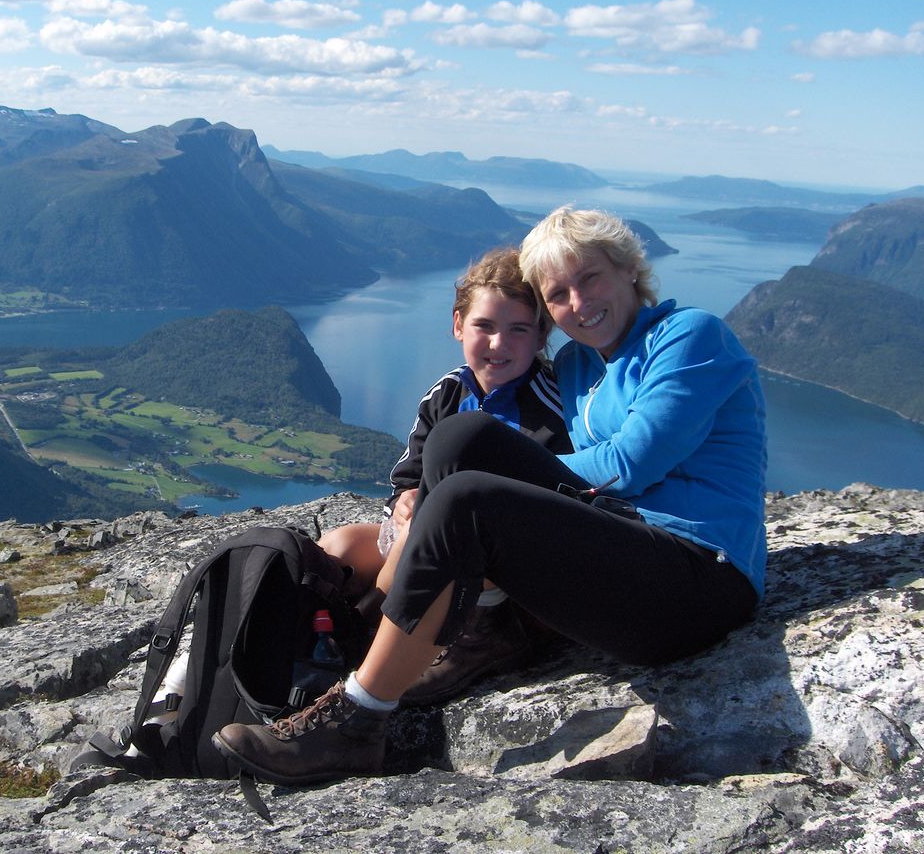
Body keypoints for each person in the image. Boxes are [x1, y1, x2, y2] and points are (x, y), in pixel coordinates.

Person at [212, 206, 767, 786]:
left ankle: (355, 722)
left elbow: (631, 463)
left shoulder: (691, 336)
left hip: (697, 580)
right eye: (558, 294)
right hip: (620, 559)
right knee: (458, 437)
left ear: (629, 269)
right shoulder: (581, 363)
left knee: (469, 490)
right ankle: (480, 627)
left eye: (590, 278)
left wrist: (492, 485)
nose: (578, 303)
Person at [319, 247, 572, 704]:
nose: (499, 343)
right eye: (484, 326)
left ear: (540, 337)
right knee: (335, 549)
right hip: (428, 546)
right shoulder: (448, 392)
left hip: (503, 572)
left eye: (519, 330)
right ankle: (323, 625)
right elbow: (407, 474)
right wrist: (405, 499)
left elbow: (560, 501)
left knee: (429, 535)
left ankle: (364, 640)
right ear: (458, 325)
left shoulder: (553, 407)